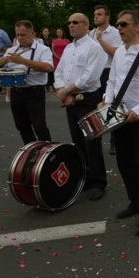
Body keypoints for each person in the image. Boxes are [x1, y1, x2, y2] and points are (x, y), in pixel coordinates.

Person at [102, 10, 139, 236]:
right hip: (119, 116)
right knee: (124, 163)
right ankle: (134, 202)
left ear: (137, 27)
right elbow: (113, 81)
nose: (119, 28)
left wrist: (138, 110)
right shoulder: (118, 54)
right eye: (118, 24)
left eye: (124, 24)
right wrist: (107, 101)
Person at [54, 13, 108, 201]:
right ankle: (85, 177)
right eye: (69, 22)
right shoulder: (69, 48)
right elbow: (59, 71)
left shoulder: (94, 48)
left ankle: (99, 182)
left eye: (75, 22)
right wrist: (63, 92)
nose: (71, 25)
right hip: (70, 100)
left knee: (92, 142)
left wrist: (66, 91)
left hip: (87, 99)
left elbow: (90, 77)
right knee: (78, 142)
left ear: (86, 25)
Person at [0, 20, 53, 144]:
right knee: (22, 126)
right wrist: (1, 61)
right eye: (17, 35)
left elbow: (48, 67)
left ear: (32, 33)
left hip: (35, 91)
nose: (20, 38)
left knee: (39, 126)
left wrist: (22, 61)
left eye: (23, 35)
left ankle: (47, 154)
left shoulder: (43, 50)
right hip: (16, 91)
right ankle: (30, 151)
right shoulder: (11, 50)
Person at [90, 5, 123, 155]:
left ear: (107, 17)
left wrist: (101, 40)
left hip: (109, 72)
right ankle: (94, 141)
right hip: (94, 74)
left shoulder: (116, 33)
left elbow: (116, 53)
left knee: (110, 107)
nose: (96, 17)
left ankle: (115, 142)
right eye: (95, 14)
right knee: (94, 107)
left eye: (99, 14)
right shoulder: (91, 33)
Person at [40, 27, 54, 92]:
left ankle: (51, 86)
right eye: (45, 31)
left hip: (50, 56)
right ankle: (45, 86)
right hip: (43, 56)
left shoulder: (51, 39)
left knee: (50, 71)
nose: (46, 32)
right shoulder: (40, 40)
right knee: (44, 71)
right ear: (42, 32)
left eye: (47, 31)